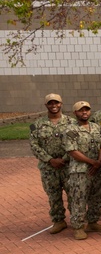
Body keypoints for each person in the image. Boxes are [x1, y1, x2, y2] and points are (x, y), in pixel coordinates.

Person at [64, 101, 101, 239]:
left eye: (87, 110)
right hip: (80, 171)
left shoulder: (96, 127)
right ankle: (78, 226)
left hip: (97, 168)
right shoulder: (70, 129)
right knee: (79, 198)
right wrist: (92, 162)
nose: (84, 112)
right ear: (75, 113)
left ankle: (93, 222)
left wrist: (99, 161)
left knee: (97, 196)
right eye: (81, 110)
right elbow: (72, 150)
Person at [30, 93, 73, 234]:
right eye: (50, 103)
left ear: (61, 104)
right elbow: (34, 146)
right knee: (53, 195)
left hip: (68, 165)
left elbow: (77, 143)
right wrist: (50, 159)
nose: (54, 106)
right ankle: (58, 221)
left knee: (73, 193)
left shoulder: (71, 122)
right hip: (48, 167)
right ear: (46, 105)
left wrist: (65, 158)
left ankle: (76, 219)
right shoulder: (37, 124)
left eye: (56, 103)